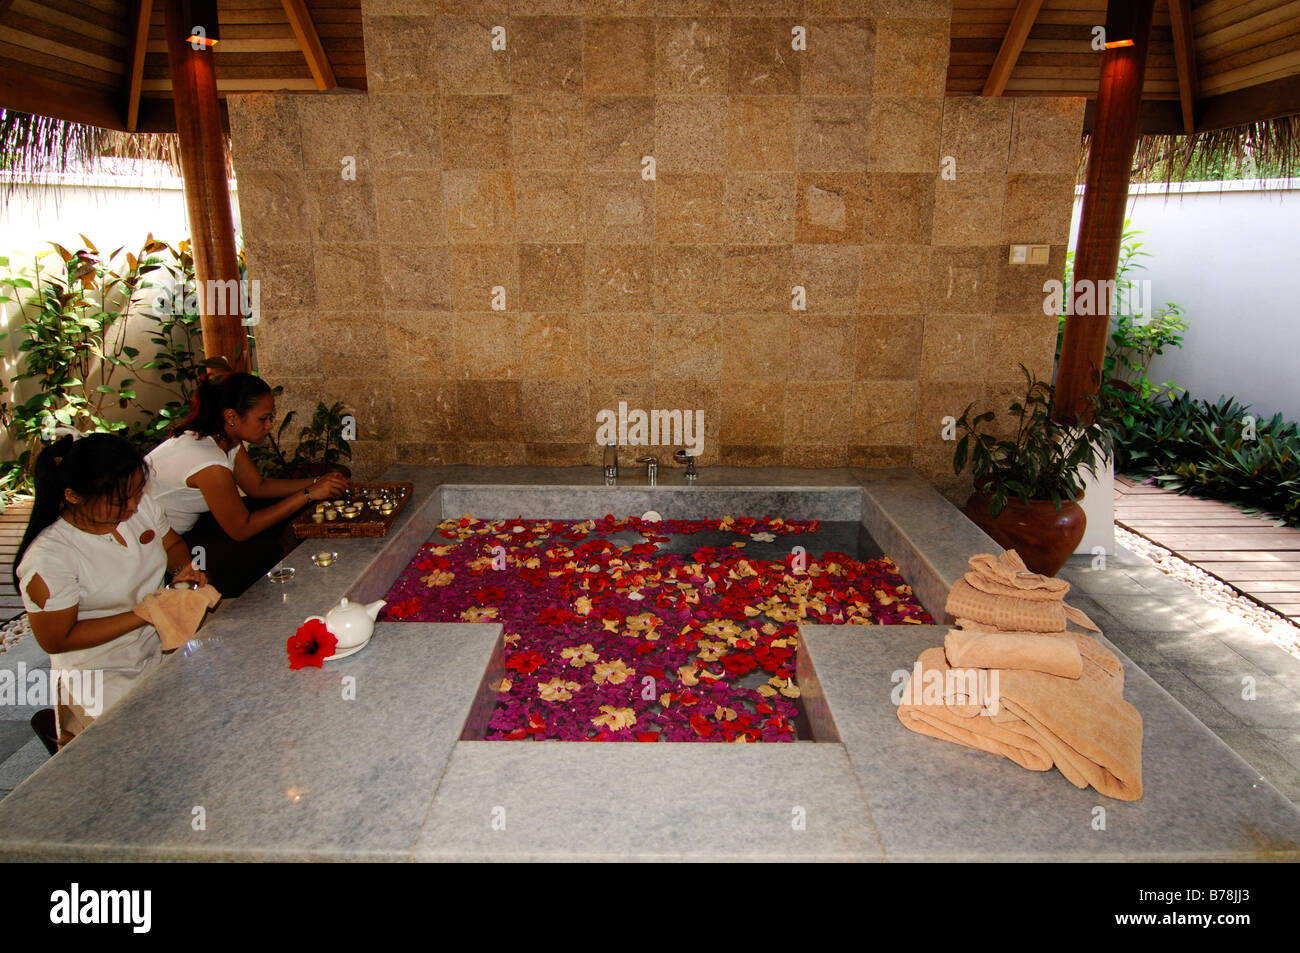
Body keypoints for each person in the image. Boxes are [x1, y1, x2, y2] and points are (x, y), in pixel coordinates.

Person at [14, 434, 207, 740]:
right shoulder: (49, 557)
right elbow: (56, 639)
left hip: (158, 646)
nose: (133, 505)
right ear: (74, 496)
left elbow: (172, 545)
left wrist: (182, 573)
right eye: (120, 500)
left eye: (137, 492)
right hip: (98, 674)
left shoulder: (139, 509)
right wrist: (146, 613)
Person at [145, 373, 348, 597]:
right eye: (263, 419)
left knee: (275, 514)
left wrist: (318, 483)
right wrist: (308, 493)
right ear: (232, 416)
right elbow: (242, 529)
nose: (269, 425)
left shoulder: (225, 439)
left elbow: (258, 486)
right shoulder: (207, 459)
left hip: (195, 526)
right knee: (260, 550)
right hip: (167, 546)